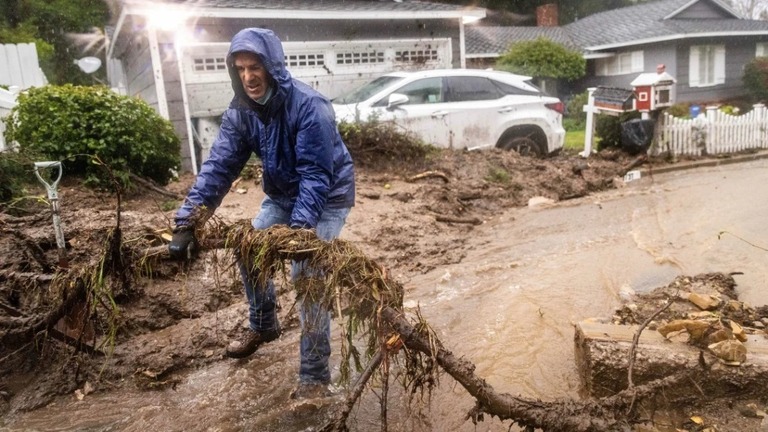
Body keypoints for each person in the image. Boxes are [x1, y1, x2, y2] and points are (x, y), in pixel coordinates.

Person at [169, 28, 355, 399]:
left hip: (328, 196)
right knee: (249, 247)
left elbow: (316, 177)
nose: (248, 77)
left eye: (255, 67)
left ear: (273, 66)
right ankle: (264, 323)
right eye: (240, 69)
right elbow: (219, 167)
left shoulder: (309, 106)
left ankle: (315, 377)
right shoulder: (242, 111)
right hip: (283, 194)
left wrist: (299, 234)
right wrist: (188, 222)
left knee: (309, 276)